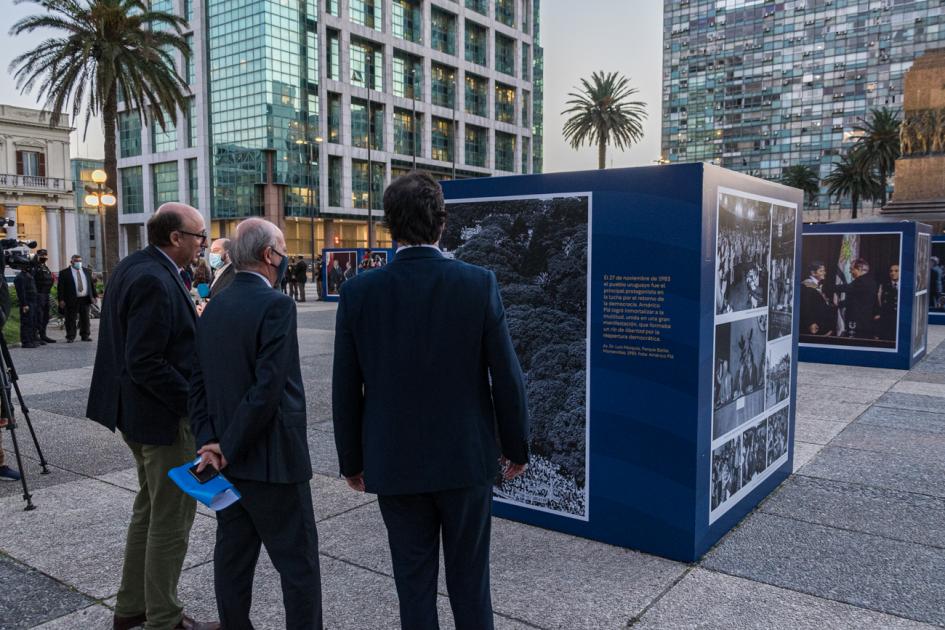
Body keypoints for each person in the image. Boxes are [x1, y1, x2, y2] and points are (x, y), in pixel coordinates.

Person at [332, 171, 529, 630]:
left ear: (389, 226)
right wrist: (516, 446)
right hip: (465, 460)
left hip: (395, 462)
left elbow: (346, 386)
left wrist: (351, 461)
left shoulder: (359, 292)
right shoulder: (478, 283)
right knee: (470, 583)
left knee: (413, 585)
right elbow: (507, 375)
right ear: (442, 223)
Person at [86, 203, 219, 630]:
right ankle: (164, 617)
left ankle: (131, 609)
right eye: (199, 235)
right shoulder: (152, 278)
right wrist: (194, 405)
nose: (204, 243)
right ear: (176, 237)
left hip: (137, 416)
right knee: (170, 520)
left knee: (148, 510)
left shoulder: (135, 266)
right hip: (161, 421)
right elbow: (144, 362)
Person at [190, 218, 323, 630]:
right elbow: (268, 389)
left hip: (226, 467)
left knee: (233, 559)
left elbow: (196, 382)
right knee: (298, 568)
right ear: (270, 255)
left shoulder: (214, 306)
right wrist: (226, 445)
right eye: (282, 250)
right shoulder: (277, 305)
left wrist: (210, 441)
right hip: (274, 463)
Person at [57, 254, 98, 342]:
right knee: (70, 318)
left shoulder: (87, 271)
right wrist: (61, 299)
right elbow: (60, 288)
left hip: (85, 298)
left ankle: (85, 335)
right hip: (71, 299)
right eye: (76, 261)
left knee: (85, 318)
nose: (78, 263)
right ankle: (70, 336)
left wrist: (94, 296)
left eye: (80, 261)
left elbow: (91, 284)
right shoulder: (64, 273)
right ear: (71, 262)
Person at [839, 258, 877, 338]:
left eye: (851, 269)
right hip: (866, 321)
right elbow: (854, 300)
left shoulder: (861, 281)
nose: (850, 272)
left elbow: (846, 288)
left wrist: (827, 288)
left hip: (858, 322)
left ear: (859, 269)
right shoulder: (871, 281)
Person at [800, 261, 836, 336]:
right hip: (814, 327)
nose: (824, 273)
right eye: (821, 271)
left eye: (824, 270)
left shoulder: (817, 285)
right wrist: (810, 323)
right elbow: (806, 307)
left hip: (822, 325)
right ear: (813, 273)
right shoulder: (807, 286)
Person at [30, 249, 56, 343]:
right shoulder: (34, 267)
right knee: (38, 316)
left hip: (46, 294)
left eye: (45, 255)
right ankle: (36, 336)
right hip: (38, 294)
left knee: (45, 316)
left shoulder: (45, 267)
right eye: (42, 255)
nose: (44, 257)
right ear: (37, 256)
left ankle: (43, 335)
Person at [13, 268, 38, 348]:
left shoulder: (29, 275)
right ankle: (26, 341)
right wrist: (24, 304)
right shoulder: (20, 277)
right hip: (27, 303)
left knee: (32, 322)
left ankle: (31, 340)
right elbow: (21, 292)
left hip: (32, 302)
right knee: (26, 322)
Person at [877, 264, 899, 341]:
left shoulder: (905, 286)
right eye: (891, 271)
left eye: (896, 271)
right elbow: (879, 301)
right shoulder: (884, 285)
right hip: (887, 319)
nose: (893, 273)